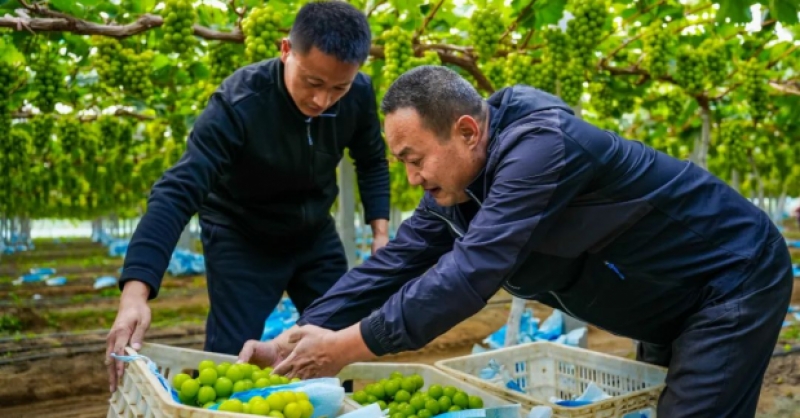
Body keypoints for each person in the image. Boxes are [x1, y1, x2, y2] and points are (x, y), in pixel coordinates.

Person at [236, 66, 793, 417]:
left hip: (730, 279)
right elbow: (395, 264)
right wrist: (296, 340)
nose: (411, 178)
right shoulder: (456, 187)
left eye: (415, 159)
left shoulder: (541, 147)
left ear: (468, 131)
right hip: (668, 300)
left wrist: (349, 348)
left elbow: (473, 271)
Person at [105, 1, 391, 392]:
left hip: (312, 235)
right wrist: (135, 292)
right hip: (242, 235)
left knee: (334, 344)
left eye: (337, 87)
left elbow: (372, 160)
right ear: (285, 49)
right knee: (228, 358)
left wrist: (380, 232)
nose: (323, 100)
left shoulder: (358, 95)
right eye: (312, 82)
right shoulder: (238, 103)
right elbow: (177, 191)